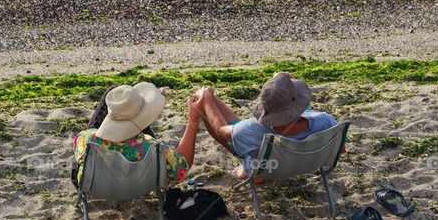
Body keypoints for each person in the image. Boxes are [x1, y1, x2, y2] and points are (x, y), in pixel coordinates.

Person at [193, 72, 337, 181]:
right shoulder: (325, 120)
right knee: (244, 132)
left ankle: (249, 170)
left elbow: (220, 129)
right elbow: (340, 150)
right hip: (307, 162)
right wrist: (280, 80)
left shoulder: (250, 130)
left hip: (267, 168)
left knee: (238, 132)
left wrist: (206, 99)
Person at [72, 82, 200, 184]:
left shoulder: (86, 139)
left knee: (112, 90)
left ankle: (125, 108)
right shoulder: (152, 147)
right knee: (126, 104)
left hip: (95, 186)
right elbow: (182, 169)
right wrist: (193, 120)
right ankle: (136, 106)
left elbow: (79, 151)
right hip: (140, 185)